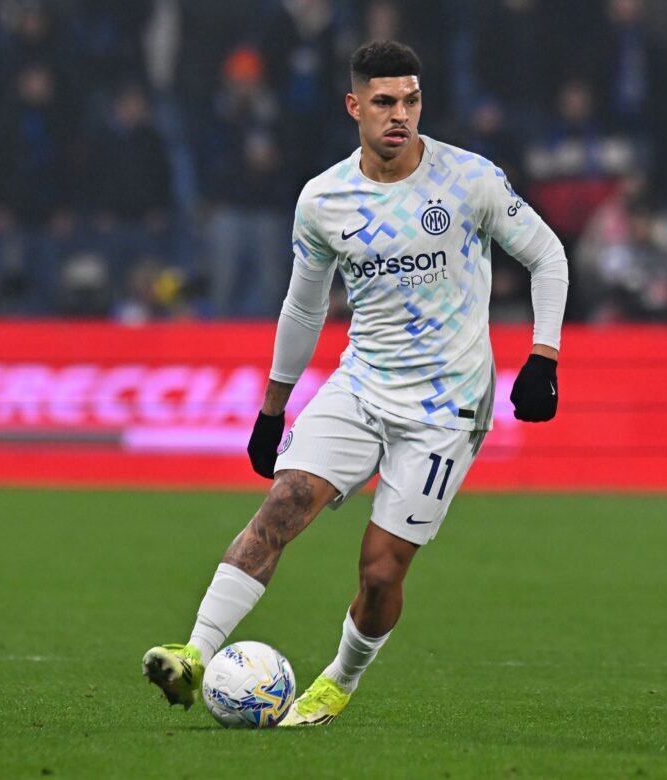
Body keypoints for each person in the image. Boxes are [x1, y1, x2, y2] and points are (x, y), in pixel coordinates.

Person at [142, 40, 569, 726]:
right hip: (362, 385)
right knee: (281, 506)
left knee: (379, 572)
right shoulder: (324, 199)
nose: (400, 114)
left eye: (411, 101)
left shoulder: (469, 180)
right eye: (384, 102)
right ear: (354, 107)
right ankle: (192, 655)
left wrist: (543, 357)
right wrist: (272, 410)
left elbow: (548, 254)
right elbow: (303, 308)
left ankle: (339, 680)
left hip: (446, 406)